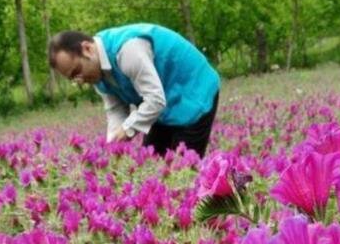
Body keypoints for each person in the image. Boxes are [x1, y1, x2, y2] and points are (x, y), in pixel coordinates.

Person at [49, 23, 220, 157]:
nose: (80, 81)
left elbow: (155, 101)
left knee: (184, 169)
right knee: (152, 163)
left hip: (192, 90)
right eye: (73, 79)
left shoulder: (127, 51)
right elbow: (115, 109)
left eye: (77, 71)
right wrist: (113, 143)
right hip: (161, 100)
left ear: (87, 49)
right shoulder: (95, 70)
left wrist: (127, 130)